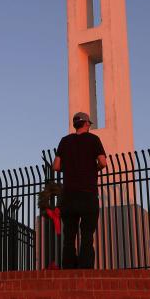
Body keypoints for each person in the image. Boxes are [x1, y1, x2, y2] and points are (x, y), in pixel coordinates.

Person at [53, 111, 107, 270]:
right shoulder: (93, 139)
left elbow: (56, 166)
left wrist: (70, 169)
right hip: (87, 193)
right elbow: (103, 162)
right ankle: (85, 268)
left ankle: (68, 268)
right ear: (86, 124)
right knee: (87, 235)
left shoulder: (65, 141)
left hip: (68, 195)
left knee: (69, 237)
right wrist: (93, 169)